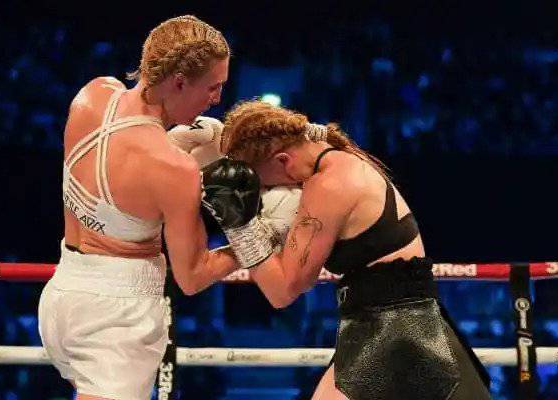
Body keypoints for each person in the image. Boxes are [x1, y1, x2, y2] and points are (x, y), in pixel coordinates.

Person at [201, 100, 491, 400]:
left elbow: (282, 291)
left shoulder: (328, 185)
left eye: (263, 183)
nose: (266, 191)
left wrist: (239, 225)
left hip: (394, 329)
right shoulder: (339, 160)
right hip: (390, 322)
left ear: (283, 160)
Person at [38, 16, 240, 400]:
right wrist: (260, 239)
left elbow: (119, 177)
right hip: (117, 318)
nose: (216, 99)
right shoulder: (172, 168)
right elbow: (193, 276)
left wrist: (172, 146)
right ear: (179, 82)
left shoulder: (93, 94)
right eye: (213, 87)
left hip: (62, 297)